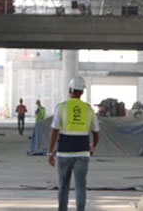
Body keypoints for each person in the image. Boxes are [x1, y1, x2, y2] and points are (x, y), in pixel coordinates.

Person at [47, 76, 100, 211]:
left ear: (70, 89)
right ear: (82, 92)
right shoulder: (89, 109)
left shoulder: (61, 107)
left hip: (64, 153)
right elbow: (96, 133)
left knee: (63, 186)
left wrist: (49, 152)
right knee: (80, 186)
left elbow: (54, 131)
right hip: (83, 152)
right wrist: (92, 146)